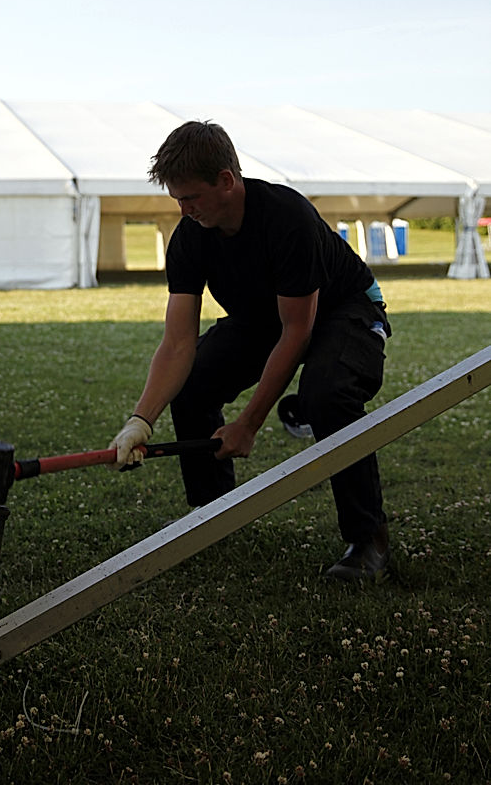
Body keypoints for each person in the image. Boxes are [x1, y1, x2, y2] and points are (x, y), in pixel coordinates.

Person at [108, 120, 392, 581]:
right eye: (177, 199)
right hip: (264, 318)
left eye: (191, 198)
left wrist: (248, 424)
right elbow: (178, 342)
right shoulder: (189, 237)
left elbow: (297, 332)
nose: (184, 210)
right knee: (193, 384)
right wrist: (141, 420)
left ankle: (368, 540)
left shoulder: (286, 217)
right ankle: (211, 517)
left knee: (326, 396)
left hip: (344, 310)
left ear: (226, 180)